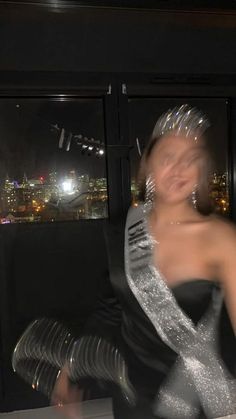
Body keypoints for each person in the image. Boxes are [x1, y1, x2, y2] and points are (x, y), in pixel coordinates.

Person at [13, 105, 236, 418]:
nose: (179, 169)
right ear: (149, 167)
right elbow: (110, 309)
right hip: (135, 397)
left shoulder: (222, 237)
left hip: (204, 401)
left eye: (191, 159)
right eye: (168, 157)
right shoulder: (122, 231)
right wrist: (69, 368)